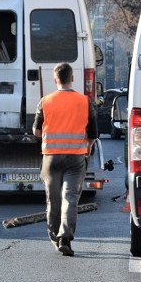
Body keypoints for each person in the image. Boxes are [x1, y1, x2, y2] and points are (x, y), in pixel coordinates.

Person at [32, 62, 98, 256]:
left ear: (55, 80)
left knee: (53, 199)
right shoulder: (85, 102)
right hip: (76, 158)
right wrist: (88, 146)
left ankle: (54, 235)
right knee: (70, 198)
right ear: (72, 78)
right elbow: (93, 133)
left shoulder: (45, 101)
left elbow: (36, 131)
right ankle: (65, 236)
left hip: (51, 158)